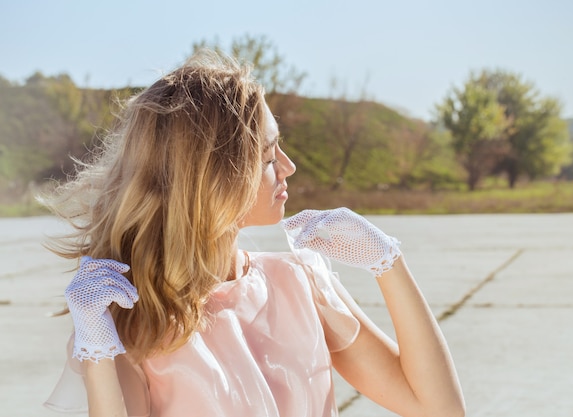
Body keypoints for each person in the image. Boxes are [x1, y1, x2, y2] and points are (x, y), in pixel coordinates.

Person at [43, 50, 465, 417]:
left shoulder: (301, 281)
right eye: (267, 156)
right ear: (212, 177)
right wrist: (95, 346)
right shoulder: (135, 319)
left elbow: (437, 408)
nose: (288, 166)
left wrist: (387, 261)